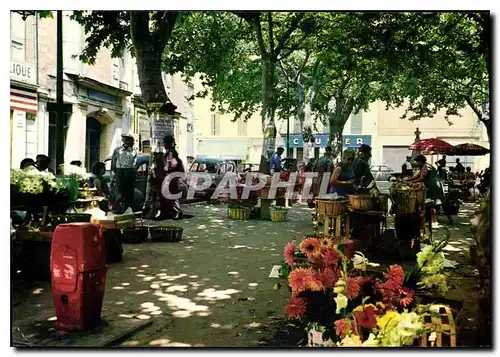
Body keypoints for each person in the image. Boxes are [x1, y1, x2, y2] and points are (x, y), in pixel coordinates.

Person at [406, 155, 452, 224]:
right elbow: (417, 176)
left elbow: (422, 178)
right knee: (433, 201)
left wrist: (411, 182)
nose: (417, 163)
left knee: (430, 201)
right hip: (435, 184)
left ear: (421, 161)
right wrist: (407, 180)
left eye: (417, 162)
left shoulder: (425, 166)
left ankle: (431, 218)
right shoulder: (424, 166)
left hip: (433, 186)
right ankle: (430, 217)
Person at [160, 135, 186, 220]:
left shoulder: (171, 152)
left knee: (172, 196)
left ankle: (177, 212)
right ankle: (169, 212)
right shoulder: (170, 152)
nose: (163, 144)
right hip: (171, 177)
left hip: (171, 177)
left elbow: (173, 164)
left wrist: (166, 168)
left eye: (164, 142)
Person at [111, 134, 138, 214]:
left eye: (129, 140)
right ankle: (119, 208)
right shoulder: (117, 151)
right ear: (123, 141)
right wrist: (113, 176)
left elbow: (135, 164)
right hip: (120, 171)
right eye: (125, 140)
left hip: (130, 172)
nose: (127, 142)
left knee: (129, 192)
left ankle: (128, 209)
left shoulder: (133, 151)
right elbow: (113, 163)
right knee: (119, 192)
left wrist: (133, 173)